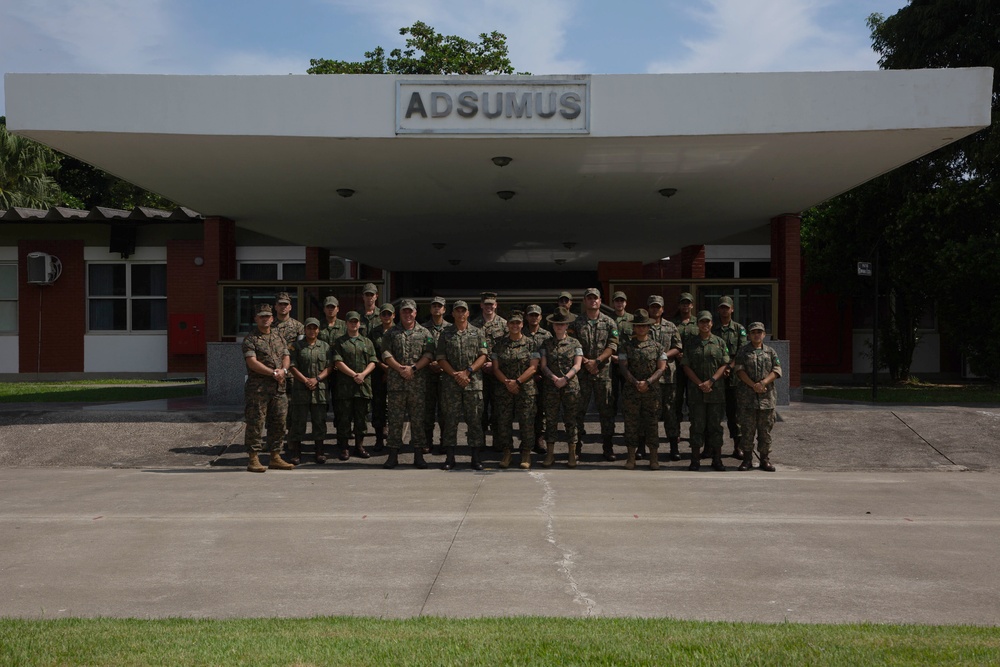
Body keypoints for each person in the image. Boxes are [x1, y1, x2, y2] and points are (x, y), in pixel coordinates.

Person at [380, 298, 435, 469]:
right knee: (395, 420)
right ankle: (392, 455)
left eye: (410, 311)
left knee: (418, 420)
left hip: (417, 383)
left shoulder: (426, 333)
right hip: (397, 384)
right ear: (400, 313)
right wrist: (399, 368)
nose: (408, 314)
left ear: (416, 312)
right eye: (404, 311)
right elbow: (385, 353)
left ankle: (418, 455)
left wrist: (413, 368)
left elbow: (429, 354)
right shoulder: (390, 333)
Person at [436, 300, 489, 470]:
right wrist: (454, 374)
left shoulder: (478, 332)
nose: (460, 314)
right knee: (450, 420)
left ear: (467, 313)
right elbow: (441, 358)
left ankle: (475, 457)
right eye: (457, 311)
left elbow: (483, 356)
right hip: (451, 384)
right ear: (452, 314)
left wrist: (467, 372)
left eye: (463, 311)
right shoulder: (445, 333)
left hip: (472, 383)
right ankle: (450, 458)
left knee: (474, 420)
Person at [568, 287, 619, 461]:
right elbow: (572, 345)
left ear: (600, 300)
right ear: (584, 301)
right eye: (589, 298)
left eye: (595, 298)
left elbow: (612, 346)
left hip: (603, 373)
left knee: (606, 411)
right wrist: (586, 362)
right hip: (582, 374)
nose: (592, 301)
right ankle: (576, 448)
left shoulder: (610, 322)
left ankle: (608, 447)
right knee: (578, 411)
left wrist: (596, 361)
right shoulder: (576, 322)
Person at [242, 303, 294, 473]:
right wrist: (273, 372)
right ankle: (253, 458)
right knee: (256, 422)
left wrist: (283, 371)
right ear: (256, 319)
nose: (265, 319)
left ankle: (275, 457)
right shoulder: (250, 339)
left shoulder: (279, 336)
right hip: (258, 389)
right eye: (261, 316)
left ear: (272, 318)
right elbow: (252, 363)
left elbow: (286, 356)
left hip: (279, 388)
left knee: (279, 422)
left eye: (267, 316)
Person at [681, 311, 730, 471]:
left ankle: (717, 460)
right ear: (698, 324)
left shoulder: (720, 343)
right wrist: (700, 383)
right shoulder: (690, 343)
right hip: (696, 393)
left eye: (707, 322)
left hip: (716, 393)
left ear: (711, 324)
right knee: (696, 426)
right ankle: (695, 460)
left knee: (715, 427)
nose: (705, 324)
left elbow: (724, 364)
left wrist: (711, 381)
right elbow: (686, 365)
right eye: (702, 322)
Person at [618, 309, 667, 469]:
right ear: (634, 327)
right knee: (631, 424)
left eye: (644, 326)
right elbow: (623, 368)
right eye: (638, 326)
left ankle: (654, 458)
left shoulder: (658, 347)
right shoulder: (626, 346)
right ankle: (631, 458)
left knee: (651, 424)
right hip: (632, 391)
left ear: (648, 327)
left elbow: (661, 368)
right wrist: (635, 382)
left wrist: (647, 382)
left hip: (651, 392)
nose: (641, 329)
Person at [491, 311, 540, 469]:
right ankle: (507, 453)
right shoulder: (499, 344)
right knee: (504, 422)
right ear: (507, 325)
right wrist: (507, 382)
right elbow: (495, 367)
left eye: (518, 323)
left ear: (522, 324)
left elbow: (533, 367)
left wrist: (517, 381)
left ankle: (526, 453)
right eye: (512, 323)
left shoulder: (531, 343)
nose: (515, 326)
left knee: (526, 421)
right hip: (504, 388)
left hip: (525, 389)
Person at [734, 322, 782, 472]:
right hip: (747, 398)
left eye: (759, 332)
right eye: (753, 332)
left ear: (764, 335)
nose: (756, 334)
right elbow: (739, 370)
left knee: (765, 431)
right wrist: (753, 385)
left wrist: (763, 383)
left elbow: (777, 370)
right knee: (747, 430)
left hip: (767, 399)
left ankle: (764, 459)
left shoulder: (771, 352)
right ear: (749, 335)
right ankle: (747, 459)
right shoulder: (743, 351)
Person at [539, 307, 584, 468]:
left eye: (563, 324)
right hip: (551, 386)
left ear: (567, 325)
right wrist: (554, 378)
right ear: (552, 325)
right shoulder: (546, 343)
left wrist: (565, 378)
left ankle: (571, 454)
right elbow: (543, 366)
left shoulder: (575, 343)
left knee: (571, 420)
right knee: (551, 420)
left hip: (570, 386)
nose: (560, 326)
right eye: (557, 323)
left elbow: (578, 365)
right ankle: (550, 454)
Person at [331, 311, 377, 461]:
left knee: (361, 418)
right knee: (344, 418)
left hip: (362, 386)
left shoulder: (367, 342)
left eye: (356, 321)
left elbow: (373, 361)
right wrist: (354, 375)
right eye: (351, 321)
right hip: (345, 386)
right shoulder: (340, 342)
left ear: (359, 323)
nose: (354, 324)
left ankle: (359, 446)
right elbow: (338, 361)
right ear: (346, 323)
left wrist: (363, 374)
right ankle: (344, 447)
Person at [286, 317, 332, 464]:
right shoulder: (296, 346)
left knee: (319, 421)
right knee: (298, 421)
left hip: (319, 390)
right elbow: (292, 366)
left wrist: (317, 379)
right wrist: (306, 380)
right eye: (309, 328)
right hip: (301, 388)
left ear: (318, 330)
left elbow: (330, 366)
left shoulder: (325, 347)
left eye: (315, 328)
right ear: (305, 329)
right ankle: (296, 453)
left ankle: (319, 452)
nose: (312, 331)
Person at [647, 295, 683, 460]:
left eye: (658, 307)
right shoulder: (643, 326)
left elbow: (678, 347)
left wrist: (662, 356)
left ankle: (674, 447)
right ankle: (647, 447)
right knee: (649, 413)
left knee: (670, 412)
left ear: (663, 309)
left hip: (668, 376)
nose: (655, 309)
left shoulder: (671, 326)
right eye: (653, 306)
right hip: (648, 376)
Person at [713, 295, 748, 459]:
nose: (724, 310)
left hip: (734, 379)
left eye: (727, 307)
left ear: (732, 309)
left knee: (735, 414)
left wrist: (729, 367)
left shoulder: (739, 329)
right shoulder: (713, 328)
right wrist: (721, 369)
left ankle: (738, 446)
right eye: (722, 307)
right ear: (718, 309)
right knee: (714, 413)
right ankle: (712, 446)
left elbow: (742, 351)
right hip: (716, 377)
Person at [471, 292, 507, 441]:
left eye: (491, 304)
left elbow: (507, 348)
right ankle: (480, 443)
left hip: (498, 372)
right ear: (481, 305)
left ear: (496, 305)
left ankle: (499, 442)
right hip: (479, 373)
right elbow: (471, 349)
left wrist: (494, 363)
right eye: (486, 304)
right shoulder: (473, 325)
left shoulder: (505, 325)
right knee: (479, 409)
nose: (489, 307)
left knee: (499, 409)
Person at [421, 296, 453, 454]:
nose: (436, 309)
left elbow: (454, 353)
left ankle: (445, 442)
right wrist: (429, 363)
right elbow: (418, 352)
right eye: (434, 306)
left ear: (444, 309)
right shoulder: (423, 329)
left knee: (445, 411)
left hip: (445, 376)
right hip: (427, 375)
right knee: (427, 410)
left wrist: (442, 365)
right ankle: (427, 441)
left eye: (439, 306)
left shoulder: (451, 329)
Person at [670, 292, 699, 450]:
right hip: (677, 367)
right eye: (683, 303)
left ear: (692, 305)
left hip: (693, 367)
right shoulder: (673, 323)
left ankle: (695, 432)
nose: (685, 306)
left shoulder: (698, 322)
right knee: (676, 401)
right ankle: (676, 432)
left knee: (694, 401)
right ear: (679, 305)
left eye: (688, 303)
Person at [523, 304, 552, 456]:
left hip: (542, 378)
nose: (534, 317)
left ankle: (539, 439)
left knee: (542, 410)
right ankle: (526, 440)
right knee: (526, 410)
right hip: (525, 377)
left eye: (536, 315)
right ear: (526, 317)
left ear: (540, 317)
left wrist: (541, 372)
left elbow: (549, 357)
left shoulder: (547, 335)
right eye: (531, 315)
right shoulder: (520, 333)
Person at [368, 303, 395, 453]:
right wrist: (383, 368)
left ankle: (393, 439)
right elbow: (371, 352)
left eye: (389, 314)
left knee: (394, 407)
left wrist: (391, 370)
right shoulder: (374, 332)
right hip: (378, 374)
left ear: (393, 316)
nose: (386, 317)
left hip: (396, 374)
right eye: (383, 314)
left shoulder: (398, 331)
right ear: (380, 316)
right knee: (378, 406)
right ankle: (379, 439)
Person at [609, 291, 634, 419]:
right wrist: (611, 356)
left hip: (628, 363)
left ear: (626, 303)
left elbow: (636, 342)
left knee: (628, 396)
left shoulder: (632, 320)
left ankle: (628, 427)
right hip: (610, 363)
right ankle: (610, 428)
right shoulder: (607, 319)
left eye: (621, 301)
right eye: (617, 301)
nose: (619, 303)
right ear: (613, 303)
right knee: (611, 396)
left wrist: (624, 358)